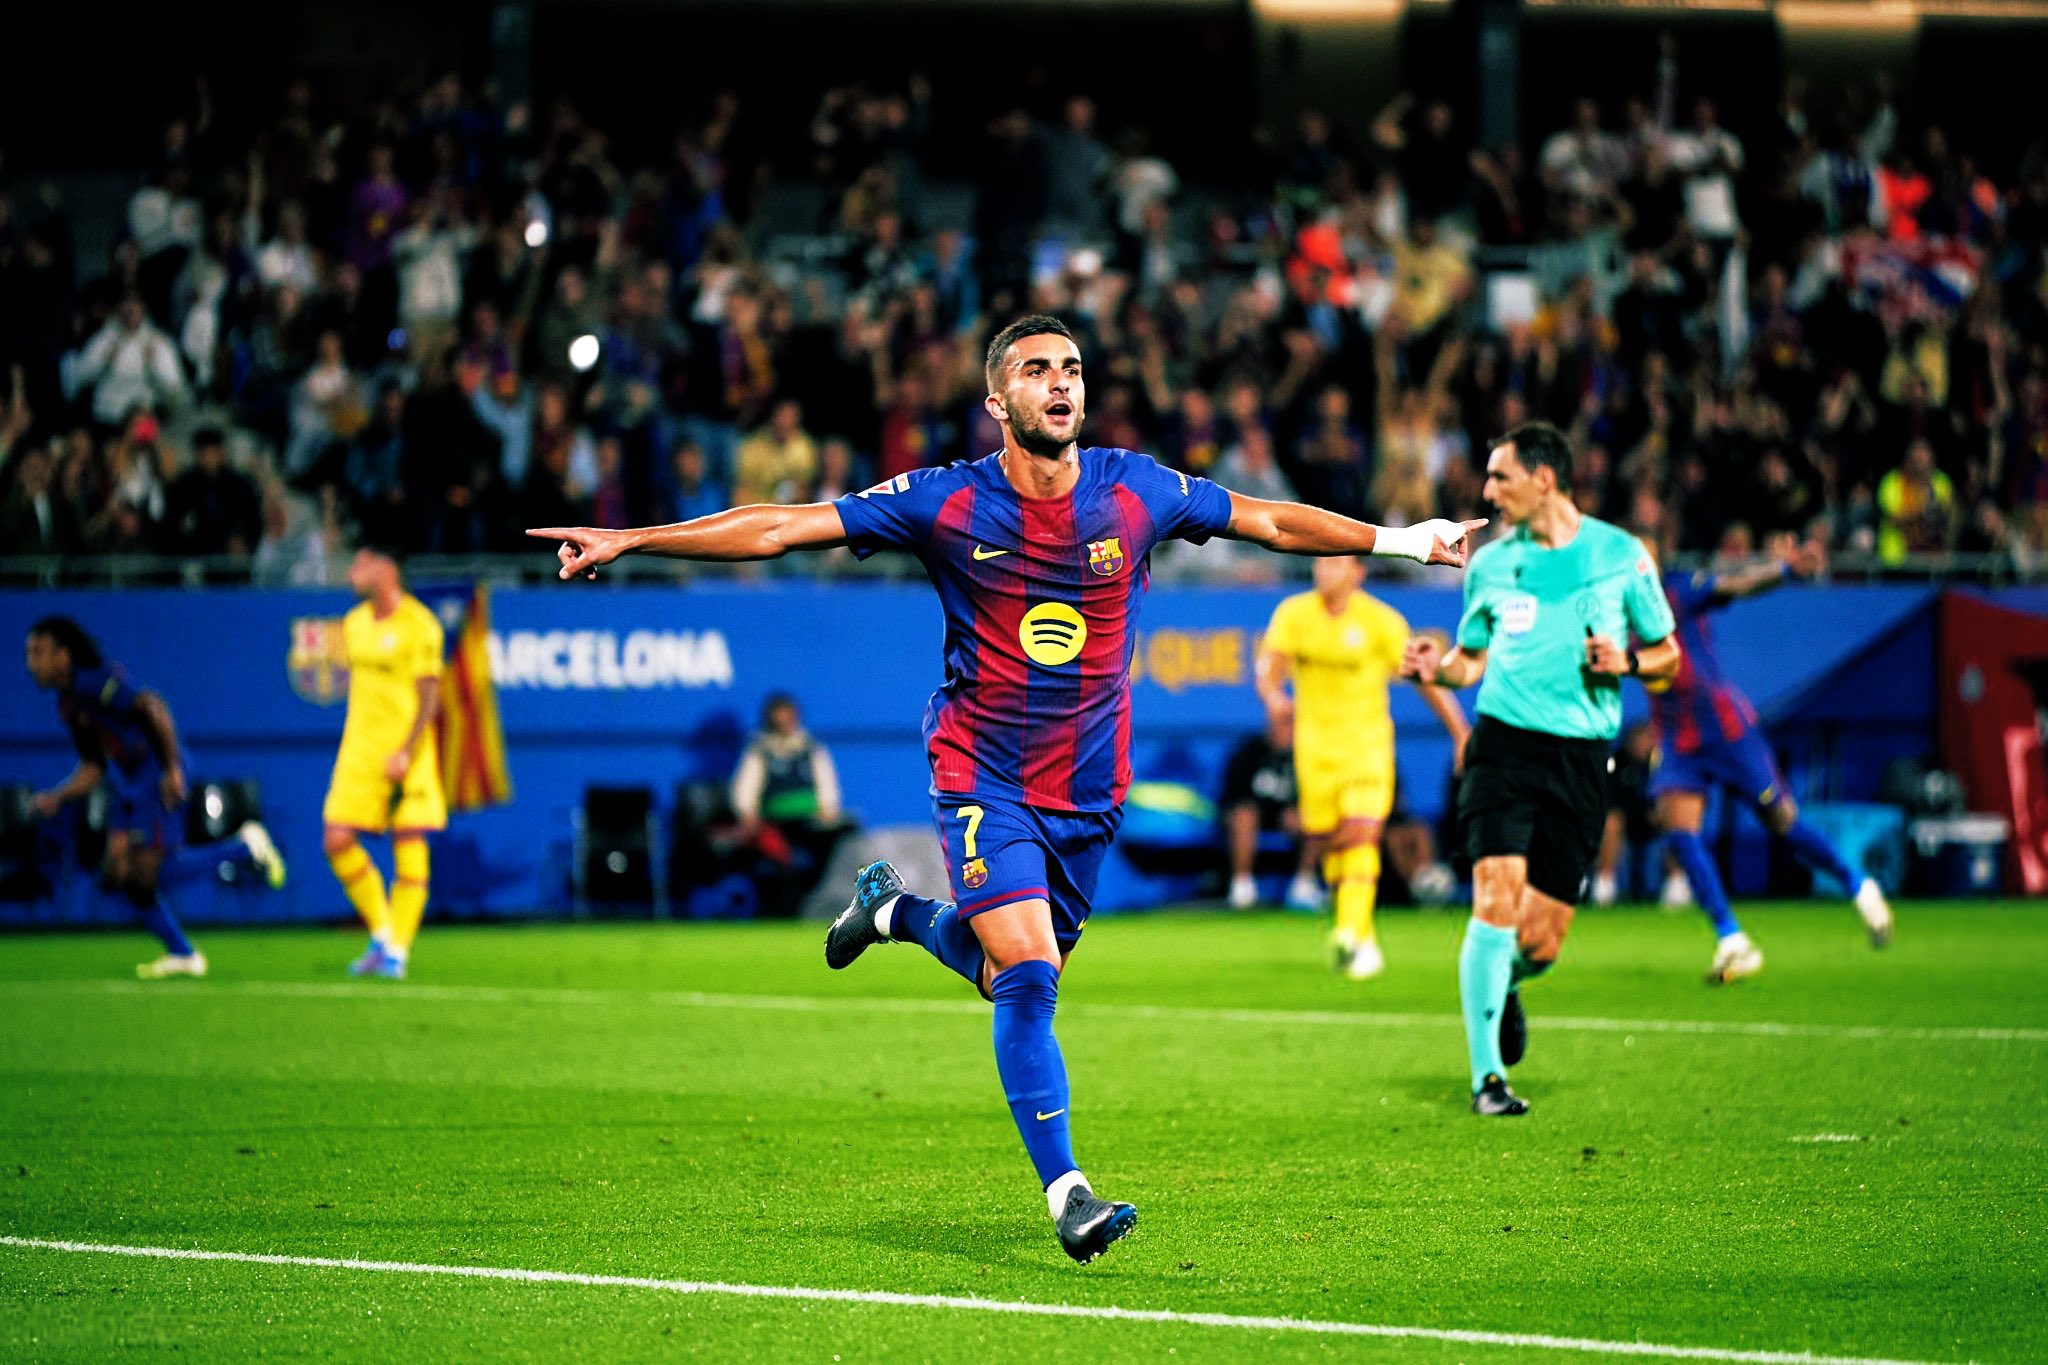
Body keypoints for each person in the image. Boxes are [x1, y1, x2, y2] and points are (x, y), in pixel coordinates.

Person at [531, 313, 1481, 1262]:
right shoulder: (943, 501)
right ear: (998, 402)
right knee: (1026, 979)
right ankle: (1069, 1193)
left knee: (1004, 972)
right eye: (1036, 370)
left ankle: (898, 914)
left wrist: (1405, 538)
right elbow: (783, 525)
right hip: (980, 770)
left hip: (1090, 788)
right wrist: (637, 537)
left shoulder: (1136, 489)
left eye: (1071, 367)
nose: (1061, 382)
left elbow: (1269, 520)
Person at [1403, 421, 1680, 1116]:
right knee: (1494, 896)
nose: (1488, 491)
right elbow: (1470, 659)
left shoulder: (1622, 555)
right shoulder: (1492, 564)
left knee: (1543, 941)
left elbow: (1669, 656)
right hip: (1502, 746)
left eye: (1500, 477)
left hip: (1582, 757)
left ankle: (1507, 984)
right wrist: (1440, 667)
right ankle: (1487, 1078)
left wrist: (1630, 663)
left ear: (1544, 478)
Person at [1650, 541, 1895, 982]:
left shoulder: (1678, 592)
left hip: (1725, 729)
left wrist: (1783, 568)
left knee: (1782, 821)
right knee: (1679, 830)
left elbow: (1735, 584)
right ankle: (1732, 939)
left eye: (1644, 555)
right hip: (1678, 738)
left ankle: (1857, 883)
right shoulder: (1615, 610)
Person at [25, 617, 285, 979]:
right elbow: (93, 765)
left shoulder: (95, 682)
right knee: (118, 874)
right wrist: (59, 796)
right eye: (28, 653)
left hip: (155, 772)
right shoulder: (68, 706)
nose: (30, 662)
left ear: (63, 655)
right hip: (129, 781)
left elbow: (152, 707)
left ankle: (243, 848)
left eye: (38, 652)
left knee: (145, 872)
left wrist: (172, 768)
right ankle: (182, 951)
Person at [1255, 556, 1468, 978]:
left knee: (1361, 830)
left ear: (1357, 572)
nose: (1324, 572)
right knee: (1335, 843)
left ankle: (1348, 933)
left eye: (1334, 565)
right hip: (1315, 750)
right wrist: (1274, 698)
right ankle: (1361, 935)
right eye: (1319, 565)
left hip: (1366, 747)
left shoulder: (1381, 621)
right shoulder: (1294, 614)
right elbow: (1269, 668)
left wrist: (1459, 730)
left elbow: (1422, 678)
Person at [321, 545, 447, 980]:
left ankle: (397, 951)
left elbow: (430, 696)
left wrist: (407, 751)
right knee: (336, 839)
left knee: (409, 843)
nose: (353, 572)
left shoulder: (420, 625)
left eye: (361, 563)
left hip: (405, 750)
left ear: (386, 567)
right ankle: (381, 930)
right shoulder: (354, 624)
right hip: (360, 750)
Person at [1217, 712, 1307, 911]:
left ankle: (1304, 884)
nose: (1289, 732)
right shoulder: (1251, 752)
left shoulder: (1305, 757)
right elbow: (1234, 797)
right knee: (1245, 815)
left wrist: (1294, 809)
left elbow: (1314, 794)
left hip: (1287, 819)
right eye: (1284, 725)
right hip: (1252, 816)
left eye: (1293, 726)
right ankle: (1242, 886)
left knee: (1315, 816)